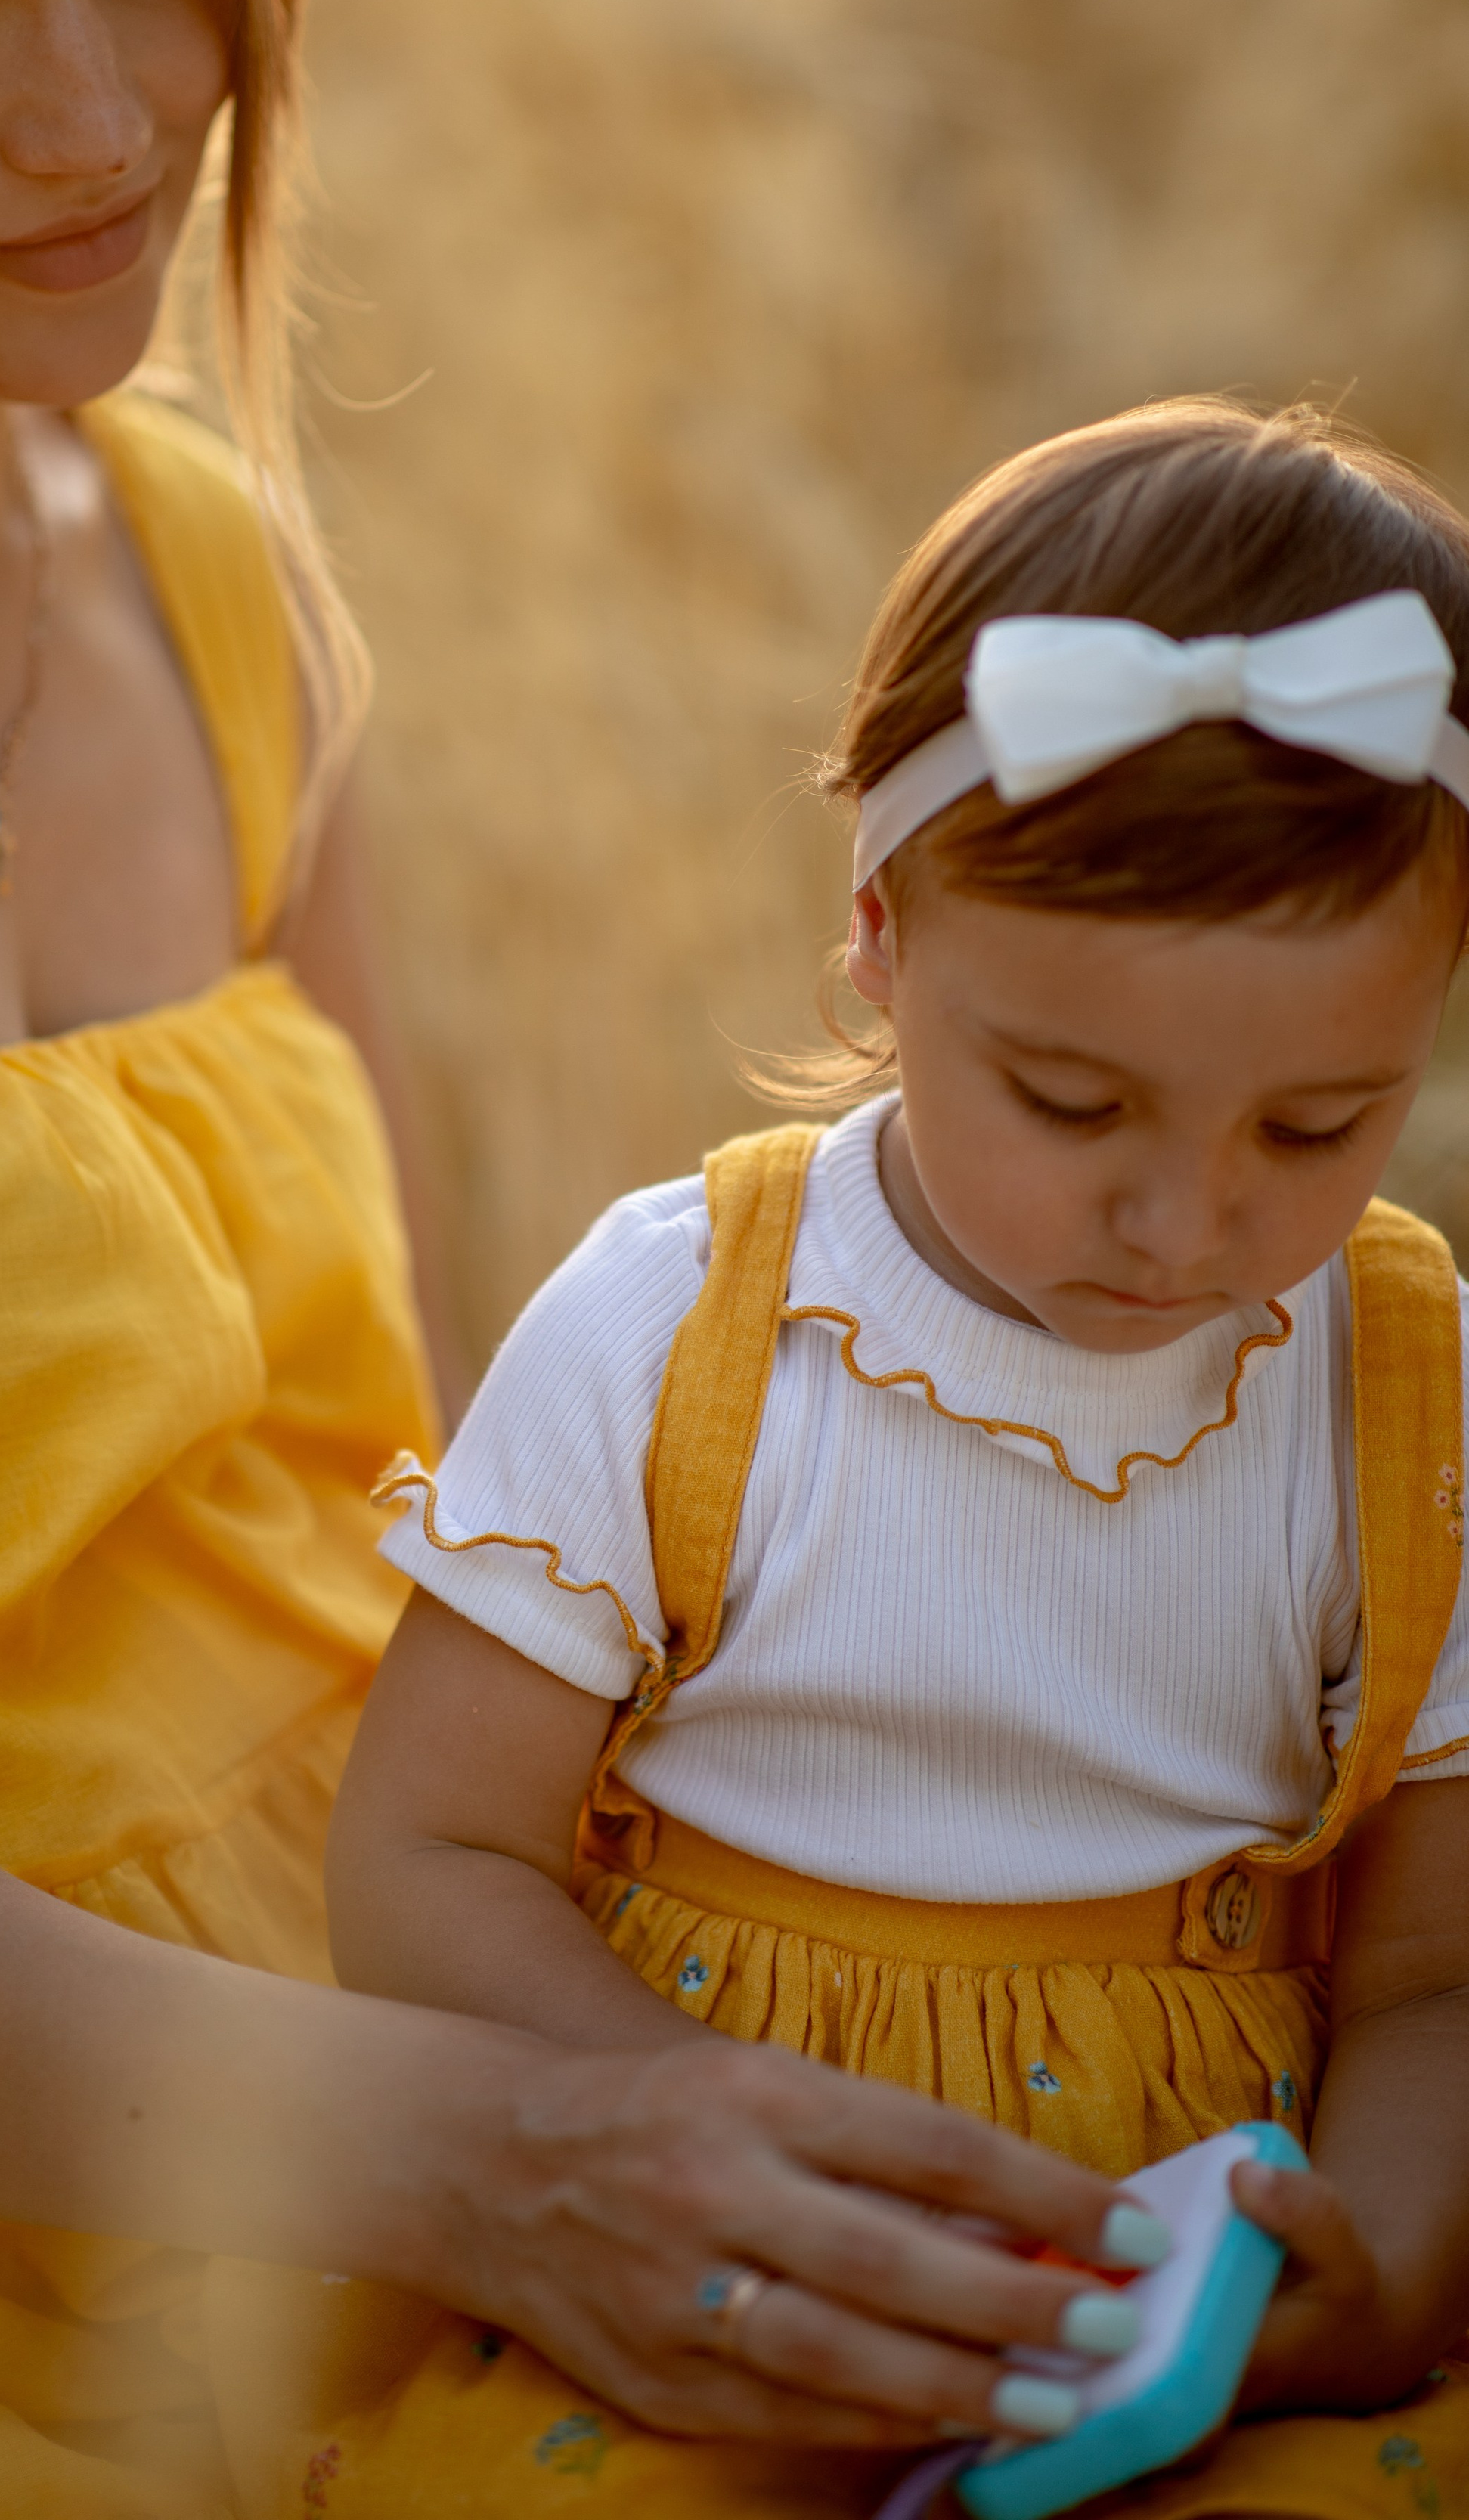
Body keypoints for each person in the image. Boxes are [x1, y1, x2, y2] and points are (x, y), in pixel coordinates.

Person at [0, 0, 1148, 2512]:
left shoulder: (211, 572)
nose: (105, 112)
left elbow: (436, 1515)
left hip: (436, 1978)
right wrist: (507, 2167)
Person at [307, 400, 1469, 2516]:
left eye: (1316, 1127)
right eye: (1071, 1101)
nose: (1187, 1223)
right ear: (877, 932)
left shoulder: (1407, 1391)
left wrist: (1380, 2274)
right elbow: (426, 1859)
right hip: (723, 2248)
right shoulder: (685, 1327)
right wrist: (699, 2127)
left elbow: (1432, 1968)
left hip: (1194, 2295)